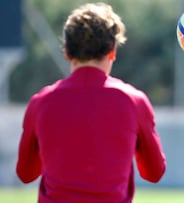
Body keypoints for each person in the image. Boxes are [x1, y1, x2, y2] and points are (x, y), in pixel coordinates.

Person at [16, 3, 166, 202]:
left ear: (67, 52)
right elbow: (154, 172)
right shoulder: (134, 101)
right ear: (112, 51)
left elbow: (26, 174)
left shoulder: (40, 102)